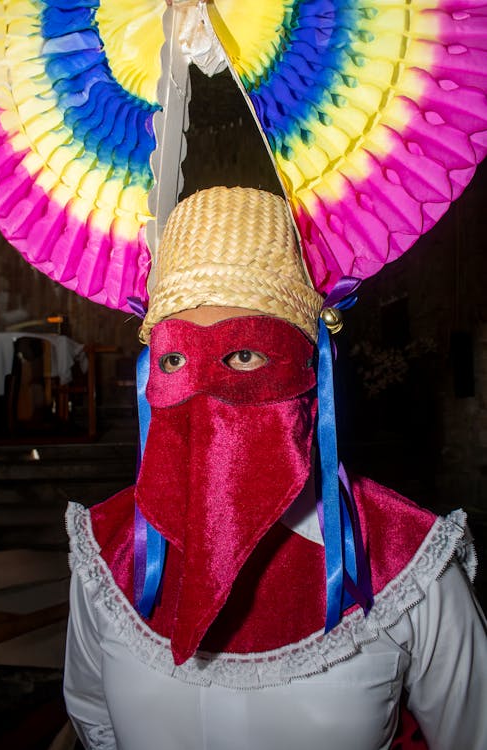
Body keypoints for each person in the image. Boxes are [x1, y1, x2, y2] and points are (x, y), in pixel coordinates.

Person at [64, 186, 487, 750]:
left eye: (243, 355)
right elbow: (95, 723)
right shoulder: (108, 558)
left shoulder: (404, 564)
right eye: (175, 360)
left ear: (310, 367)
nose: (206, 390)